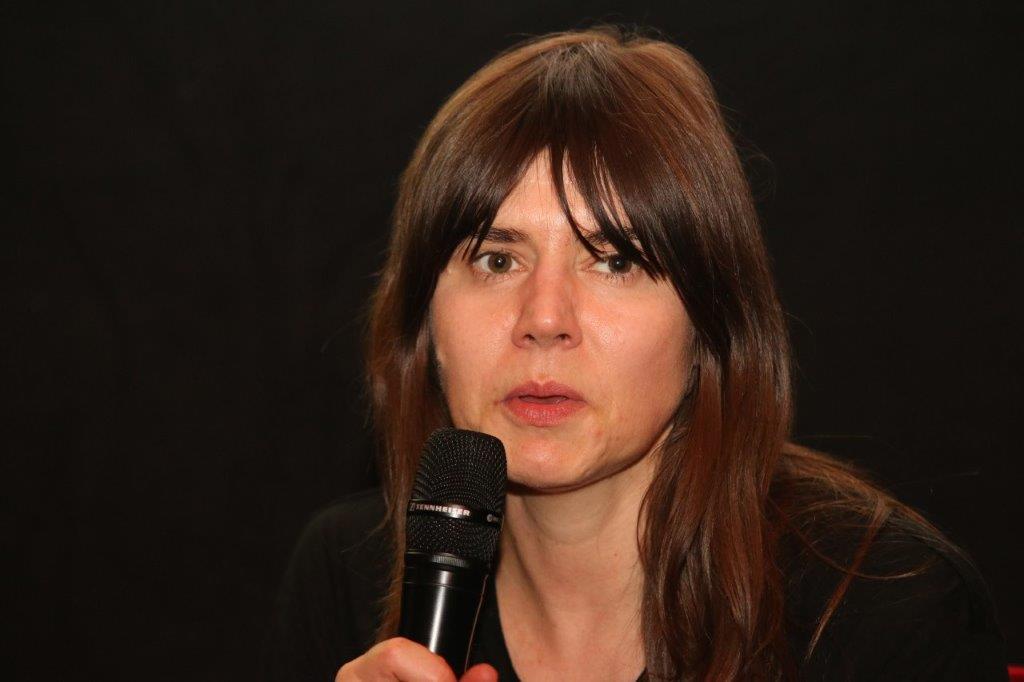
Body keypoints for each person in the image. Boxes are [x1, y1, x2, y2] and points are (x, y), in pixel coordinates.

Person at [263, 26, 1008, 681]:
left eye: (615, 261)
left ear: (710, 324)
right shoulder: (346, 575)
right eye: (497, 259)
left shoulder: (883, 608)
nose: (544, 320)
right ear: (423, 322)